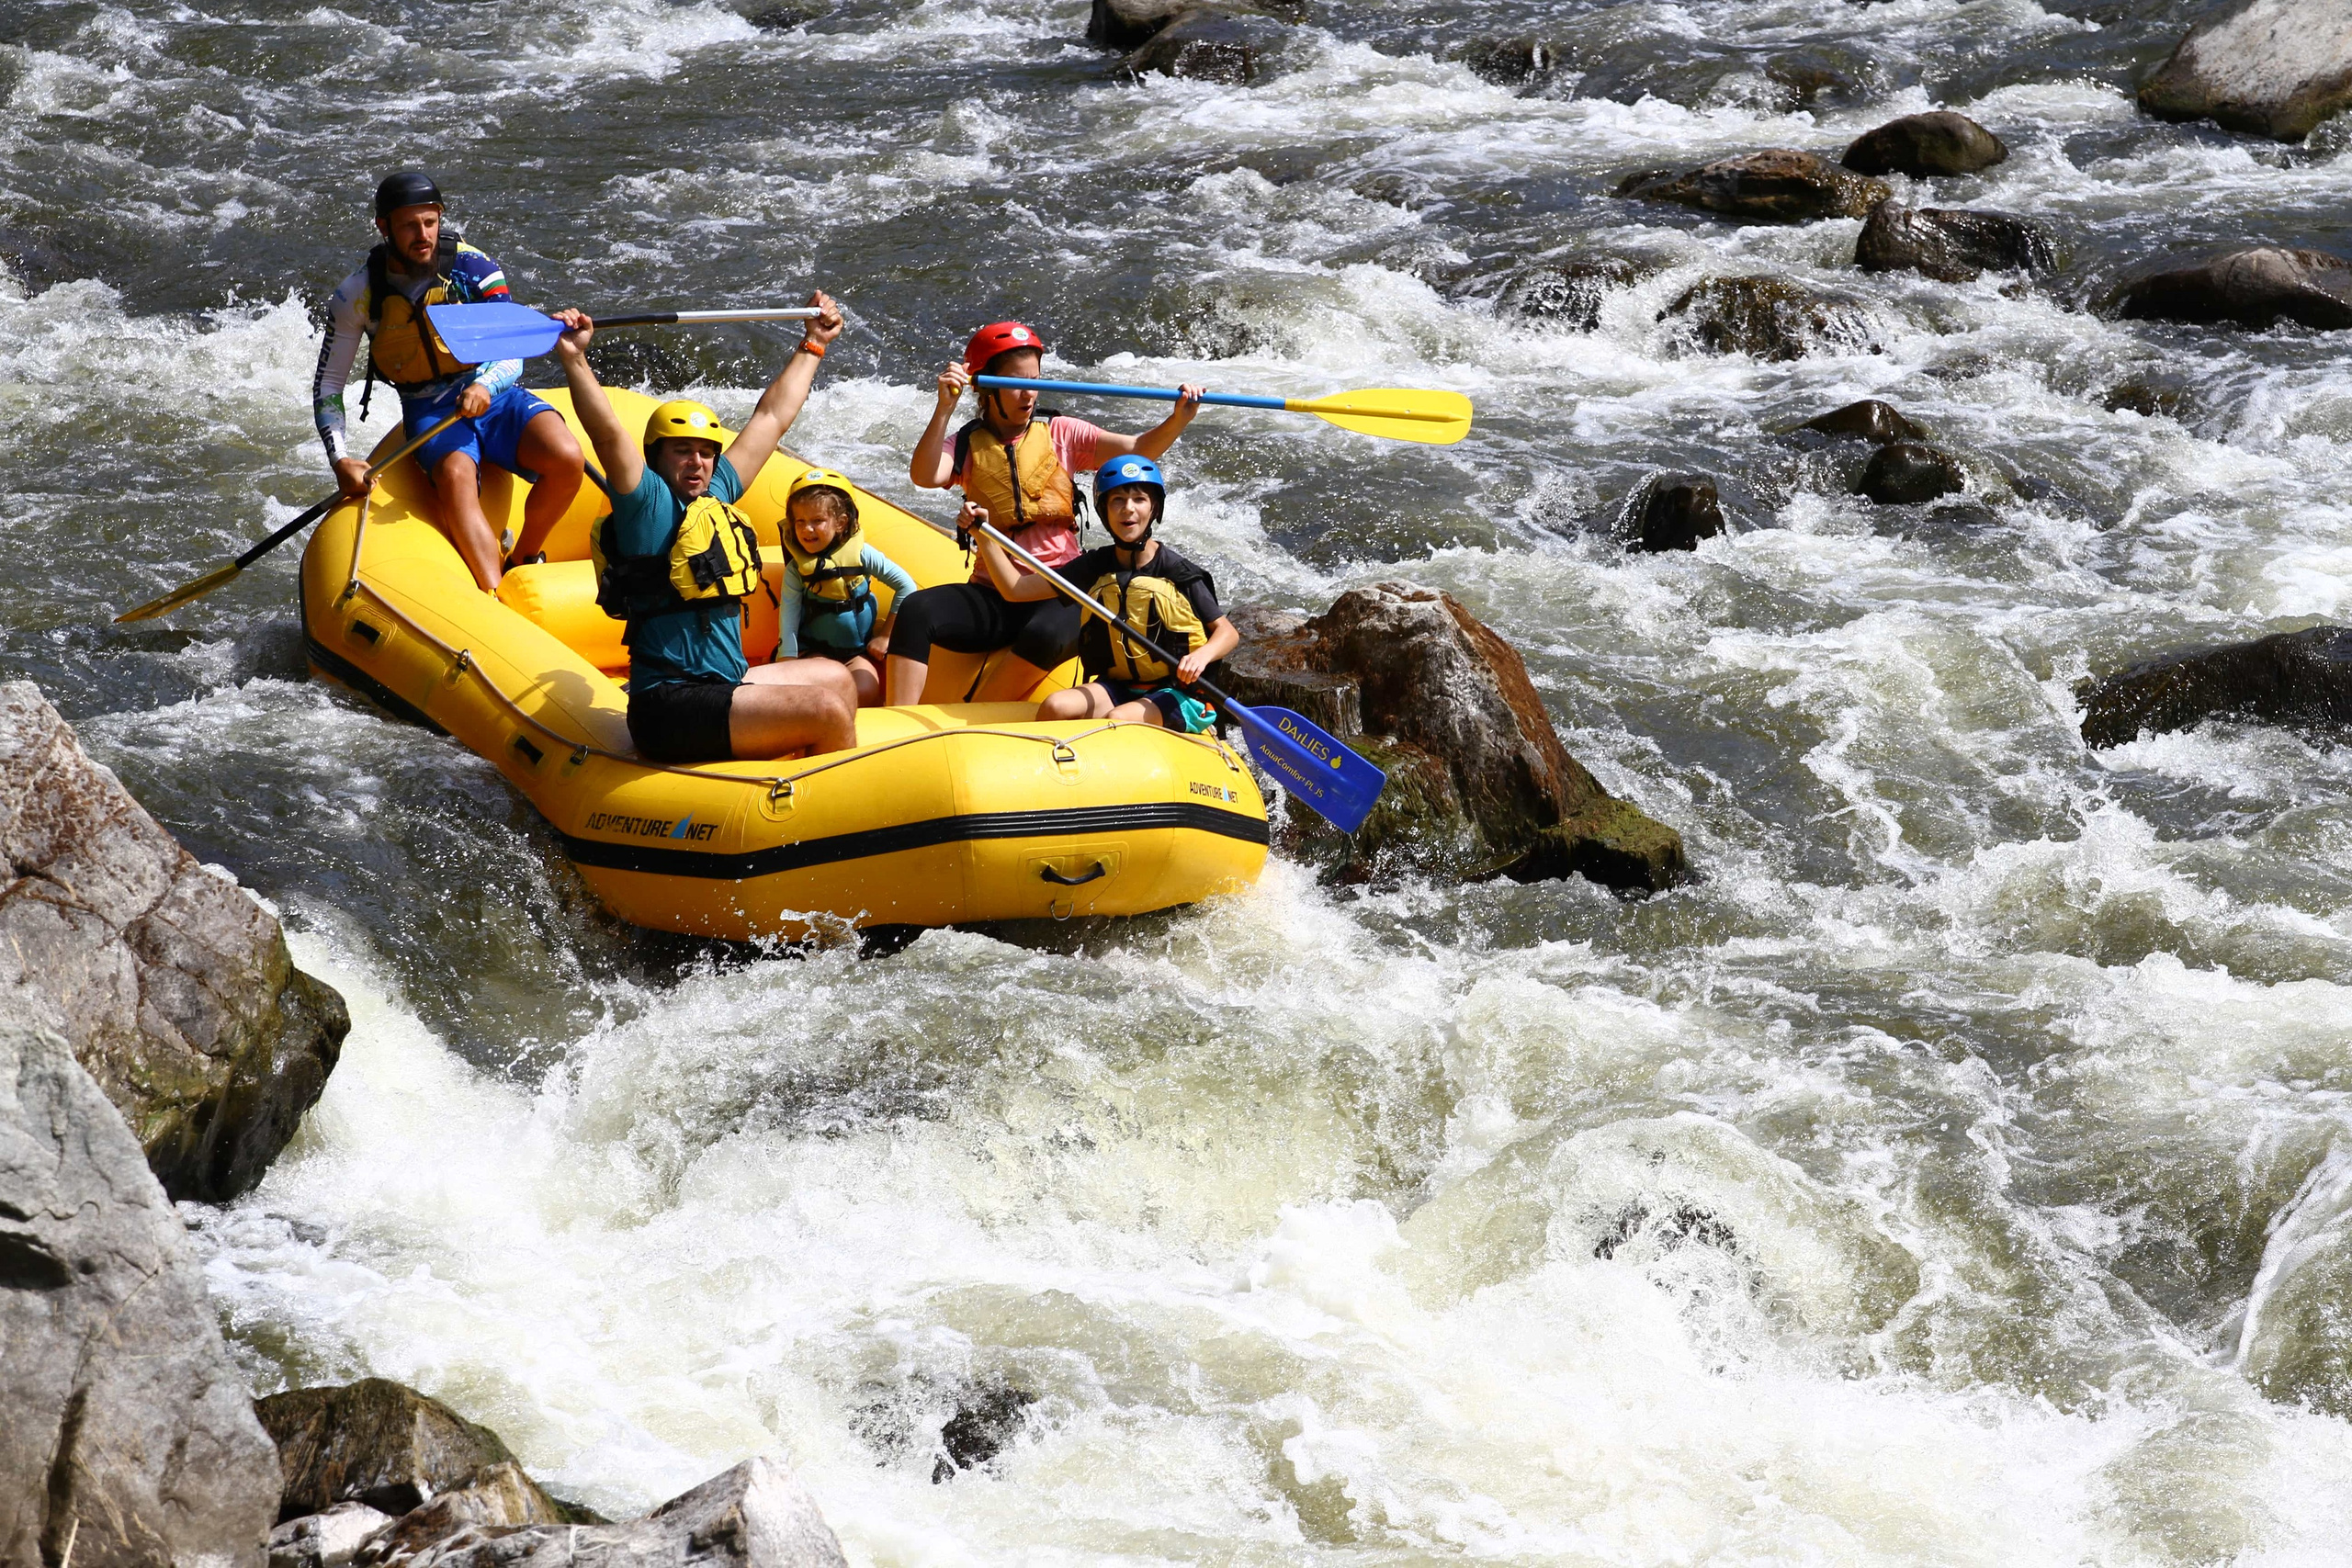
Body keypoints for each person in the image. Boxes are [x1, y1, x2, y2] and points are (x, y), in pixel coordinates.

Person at [548, 297, 859, 763]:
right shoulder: (645, 502)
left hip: (723, 687)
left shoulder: (715, 494)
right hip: (669, 707)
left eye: (705, 452)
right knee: (824, 708)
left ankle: (790, 776)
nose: (697, 462)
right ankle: (829, 809)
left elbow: (771, 420)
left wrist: (813, 345)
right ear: (657, 458)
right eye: (682, 451)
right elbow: (608, 433)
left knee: (836, 678)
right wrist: (574, 358)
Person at [886, 321, 1204, 705]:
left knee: (1043, 635)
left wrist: (1180, 418)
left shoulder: (1061, 433)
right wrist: (944, 408)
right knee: (917, 609)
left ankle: (979, 721)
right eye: (1016, 383)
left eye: (1035, 380)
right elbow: (924, 475)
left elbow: (1139, 450)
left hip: (1062, 591)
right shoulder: (967, 443)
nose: (1029, 393)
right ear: (986, 388)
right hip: (994, 593)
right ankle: (897, 719)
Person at [311, 169, 586, 592]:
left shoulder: (476, 269)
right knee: (456, 477)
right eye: (408, 225)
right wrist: (340, 458)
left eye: (430, 222)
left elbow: (510, 350)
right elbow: (330, 384)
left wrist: (485, 387)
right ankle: (492, 594)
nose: (422, 234)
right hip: (430, 408)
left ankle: (524, 557)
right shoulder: (358, 294)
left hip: (493, 390)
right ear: (384, 227)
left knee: (567, 456)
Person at [971, 454, 1237, 733]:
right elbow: (1016, 589)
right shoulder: (1095, 565)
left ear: (1154, 508)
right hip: (1120, 685)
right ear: (1104, 511)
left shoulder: (1177, 571)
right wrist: (983, 537)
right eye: (1117, 500)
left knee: (1118, 719)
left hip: (1179, 692)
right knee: (1054, 708)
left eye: (1139, 499)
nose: (1128, 509)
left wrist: (1201, 656)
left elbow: (1227, 633)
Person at [777, 469, 918, 708]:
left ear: (841, 522)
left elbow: (906, 586)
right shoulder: (795, 570)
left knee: (866, 690)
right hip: (815, 652)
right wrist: (788, 662)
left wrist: (886, 636)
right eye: (800, 522)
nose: (806, 529)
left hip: (856, 654)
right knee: (817, 691)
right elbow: (788, 620)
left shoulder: (862, 555)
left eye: (817, 521)